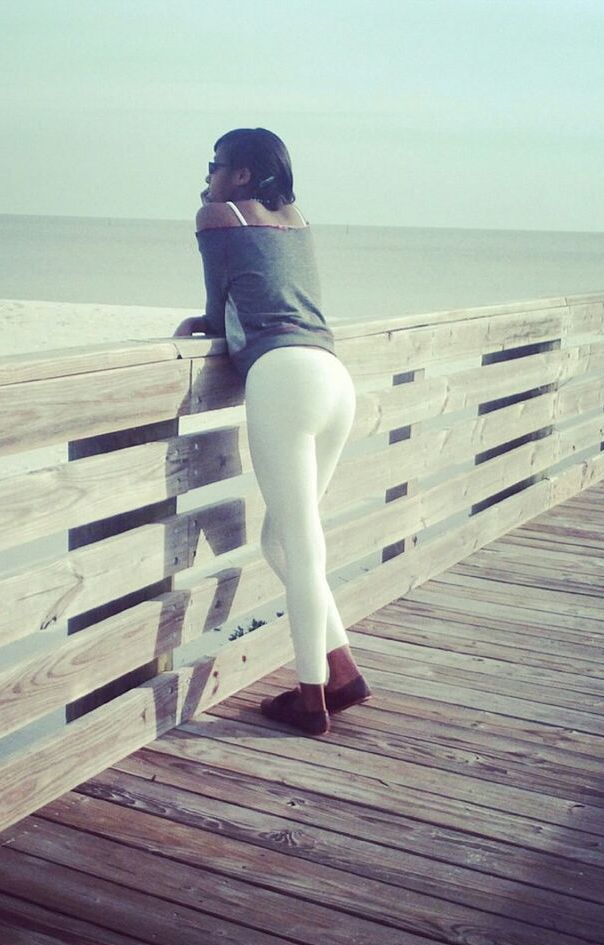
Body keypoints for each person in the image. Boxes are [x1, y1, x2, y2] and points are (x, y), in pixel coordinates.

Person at [175, 128, 371, 735]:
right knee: (282, 543)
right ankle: (341, 672)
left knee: (302, 548)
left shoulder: (216, 215)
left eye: (214, 165)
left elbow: (217, 306)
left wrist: (199, 326)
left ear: (238, 175)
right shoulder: (297, 218)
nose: (206, 176)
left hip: (282, 379)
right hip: (334, 378)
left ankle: (311, 701)